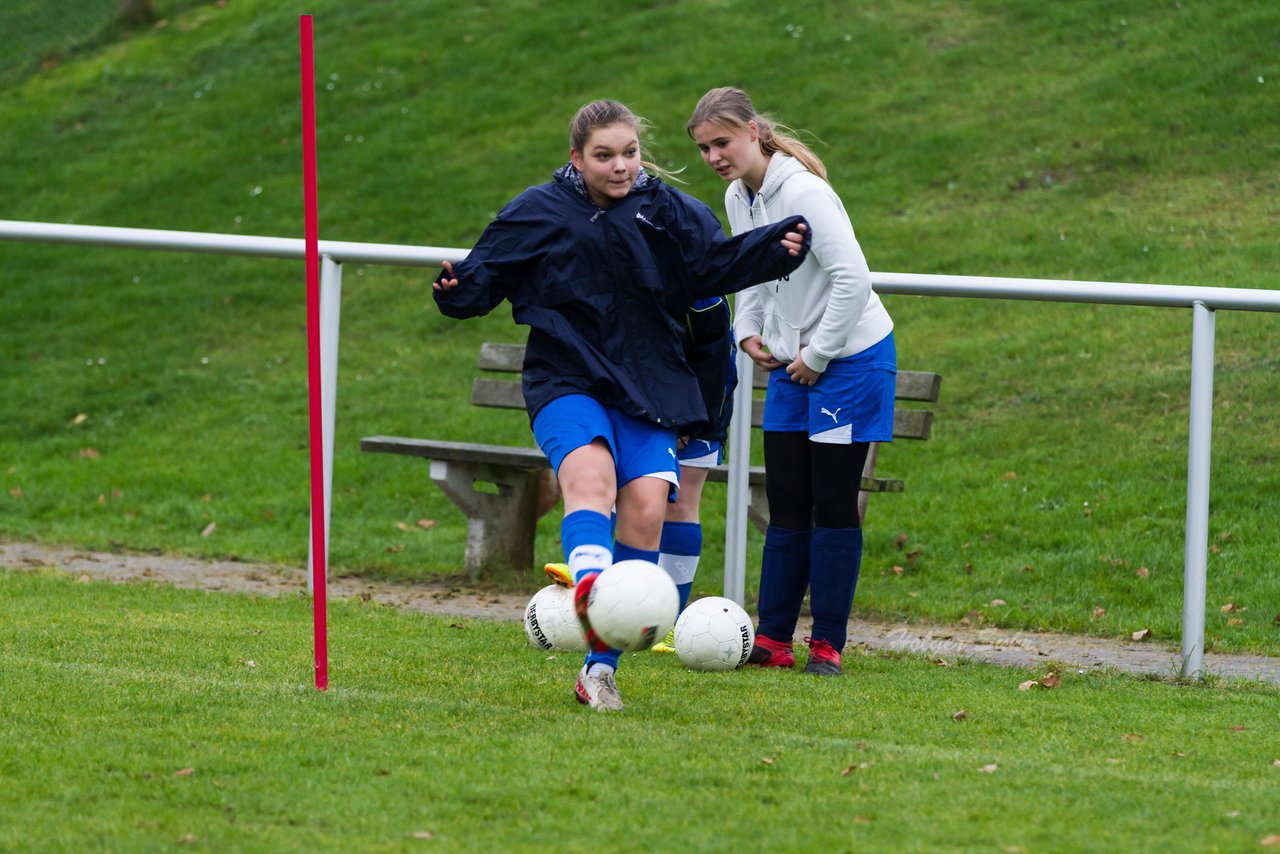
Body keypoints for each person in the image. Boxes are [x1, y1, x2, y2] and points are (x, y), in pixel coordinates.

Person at [434, 99, 811, 710]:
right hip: (567, 377)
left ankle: (598, 671)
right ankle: (588, 589)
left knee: (643, 511)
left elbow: (712, 269)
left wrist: (773, 247)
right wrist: (455, 290)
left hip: (649, 385)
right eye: (604, 156)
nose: (620, 166)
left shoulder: (670, 212)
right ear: (576, 158)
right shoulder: (537, 212)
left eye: (629, 153)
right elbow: (482, 278)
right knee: (591, 480)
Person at [687, 87, 896, 676]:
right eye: (704, 148)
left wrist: (820, 355)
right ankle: (774, 640)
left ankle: (827, 644)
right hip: (793, 366)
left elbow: (853, 279)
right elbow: (750, 271)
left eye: (722, 143)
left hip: (849, 362)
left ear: (754, 132)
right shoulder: (738, 195)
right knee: (786, 503)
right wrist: (747, 333)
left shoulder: (803, 190)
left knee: (832, 505)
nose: (714, 157)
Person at [544, 292, 735, 656]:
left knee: (679, 501)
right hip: (638, 386)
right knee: (616, 484)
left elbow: (713, 349)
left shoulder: (695, 279)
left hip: (699, 387)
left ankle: (666, 621)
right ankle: (600, 575)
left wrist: (690, 421)